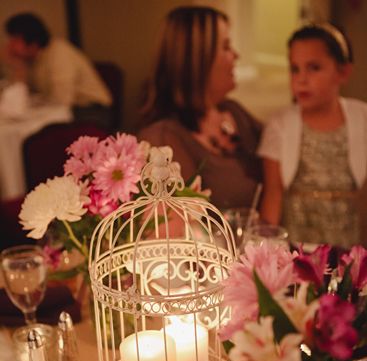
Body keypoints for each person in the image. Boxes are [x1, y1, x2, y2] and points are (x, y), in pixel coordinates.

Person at [138, 6, 262, 210]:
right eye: (226, 47)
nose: (236, 55)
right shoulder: (162, 141)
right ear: (197, 59)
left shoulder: (233, 111)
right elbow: (183, 226)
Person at [258, 23, 367, 249]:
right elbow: (273, 197)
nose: (301, 79)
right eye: (295, 69)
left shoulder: (362, 119)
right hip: (297, 250)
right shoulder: (280, 125)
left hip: (350, 249)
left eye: (314, 68)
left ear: (343, 72)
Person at [2, 12, 112, 127]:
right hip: (62, 109)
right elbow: (23, 93)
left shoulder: (59, 54)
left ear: (32, 42)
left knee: (39, 134)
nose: (10, 45)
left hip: (90, 110)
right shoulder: (31, 58)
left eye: (15, 40)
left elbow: (62, 101)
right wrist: (17, 67)